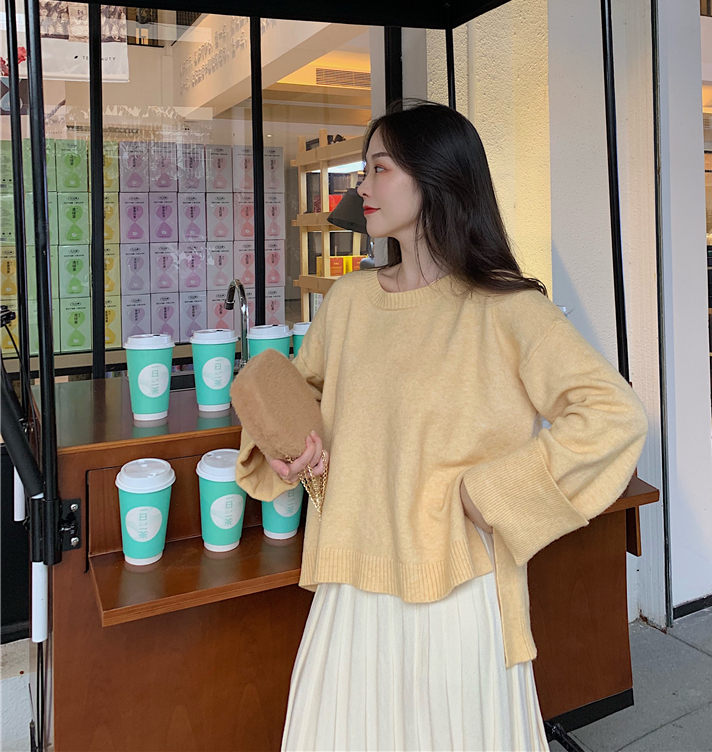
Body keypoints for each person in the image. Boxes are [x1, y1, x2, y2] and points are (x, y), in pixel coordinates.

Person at [236, 100, 648, 751]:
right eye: (364, 170)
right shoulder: (349, 302)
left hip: (456, 592)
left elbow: (613, 415)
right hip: (352, 584)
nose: (361, 186)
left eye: (379, 168)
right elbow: (303, 399)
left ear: (435, 178)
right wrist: (289, 449)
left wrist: (492, 494)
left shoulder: (506, 308)